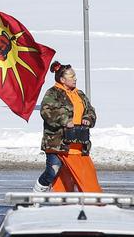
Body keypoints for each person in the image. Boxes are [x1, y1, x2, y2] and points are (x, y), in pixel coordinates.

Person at [36, 61, 100, 193]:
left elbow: (90, 110)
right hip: (57, 142)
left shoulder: (79, 94)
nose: (75, 78)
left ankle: (78, 199)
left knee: (79, 174)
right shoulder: (53, 93)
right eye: (71, 76)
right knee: (53, 170)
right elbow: (46, 111)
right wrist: (64, 120)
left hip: (78, 142)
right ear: (62, 79)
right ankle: (37, 194)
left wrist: (87, 119)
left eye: (74, 75)